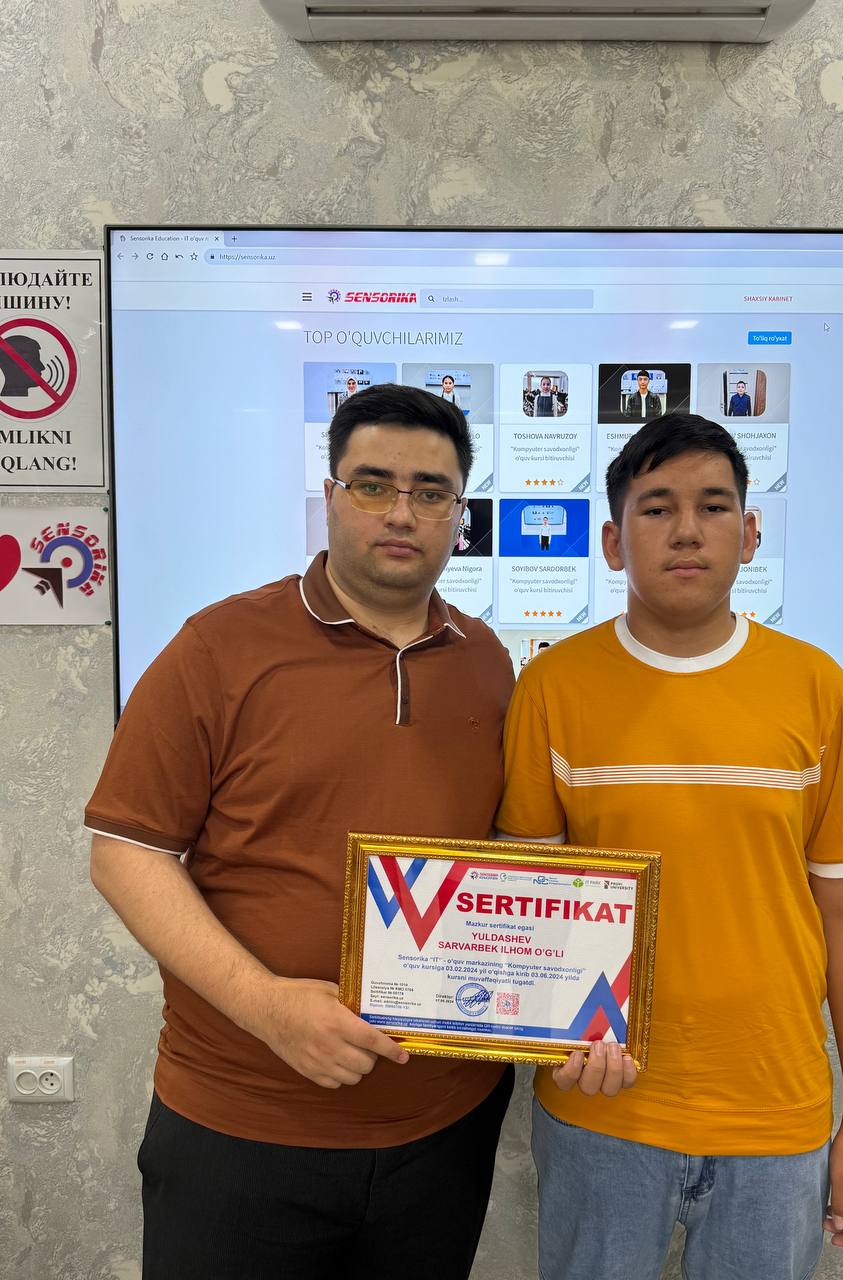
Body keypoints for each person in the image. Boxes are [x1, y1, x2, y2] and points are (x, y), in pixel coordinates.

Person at [86, 384, 516, 1280]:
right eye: (374, 485)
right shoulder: (219, 647)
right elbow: (127, 853)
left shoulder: (486, 661)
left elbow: (505, 866)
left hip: (444, 1127)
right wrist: (268, 1007)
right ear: (330, 496)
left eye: (431, 492)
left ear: (459, 513)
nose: (402, 513)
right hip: (242, 1124)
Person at [497, 412, 843, 1280]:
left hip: (776, 1117)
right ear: (612, 541)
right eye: (656, 508)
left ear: (750, 535)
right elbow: (529, 902)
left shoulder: (820, 689)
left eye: (714, 507)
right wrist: (555, 1035)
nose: (686, 530)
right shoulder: (552, 687)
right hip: (602, 1115)